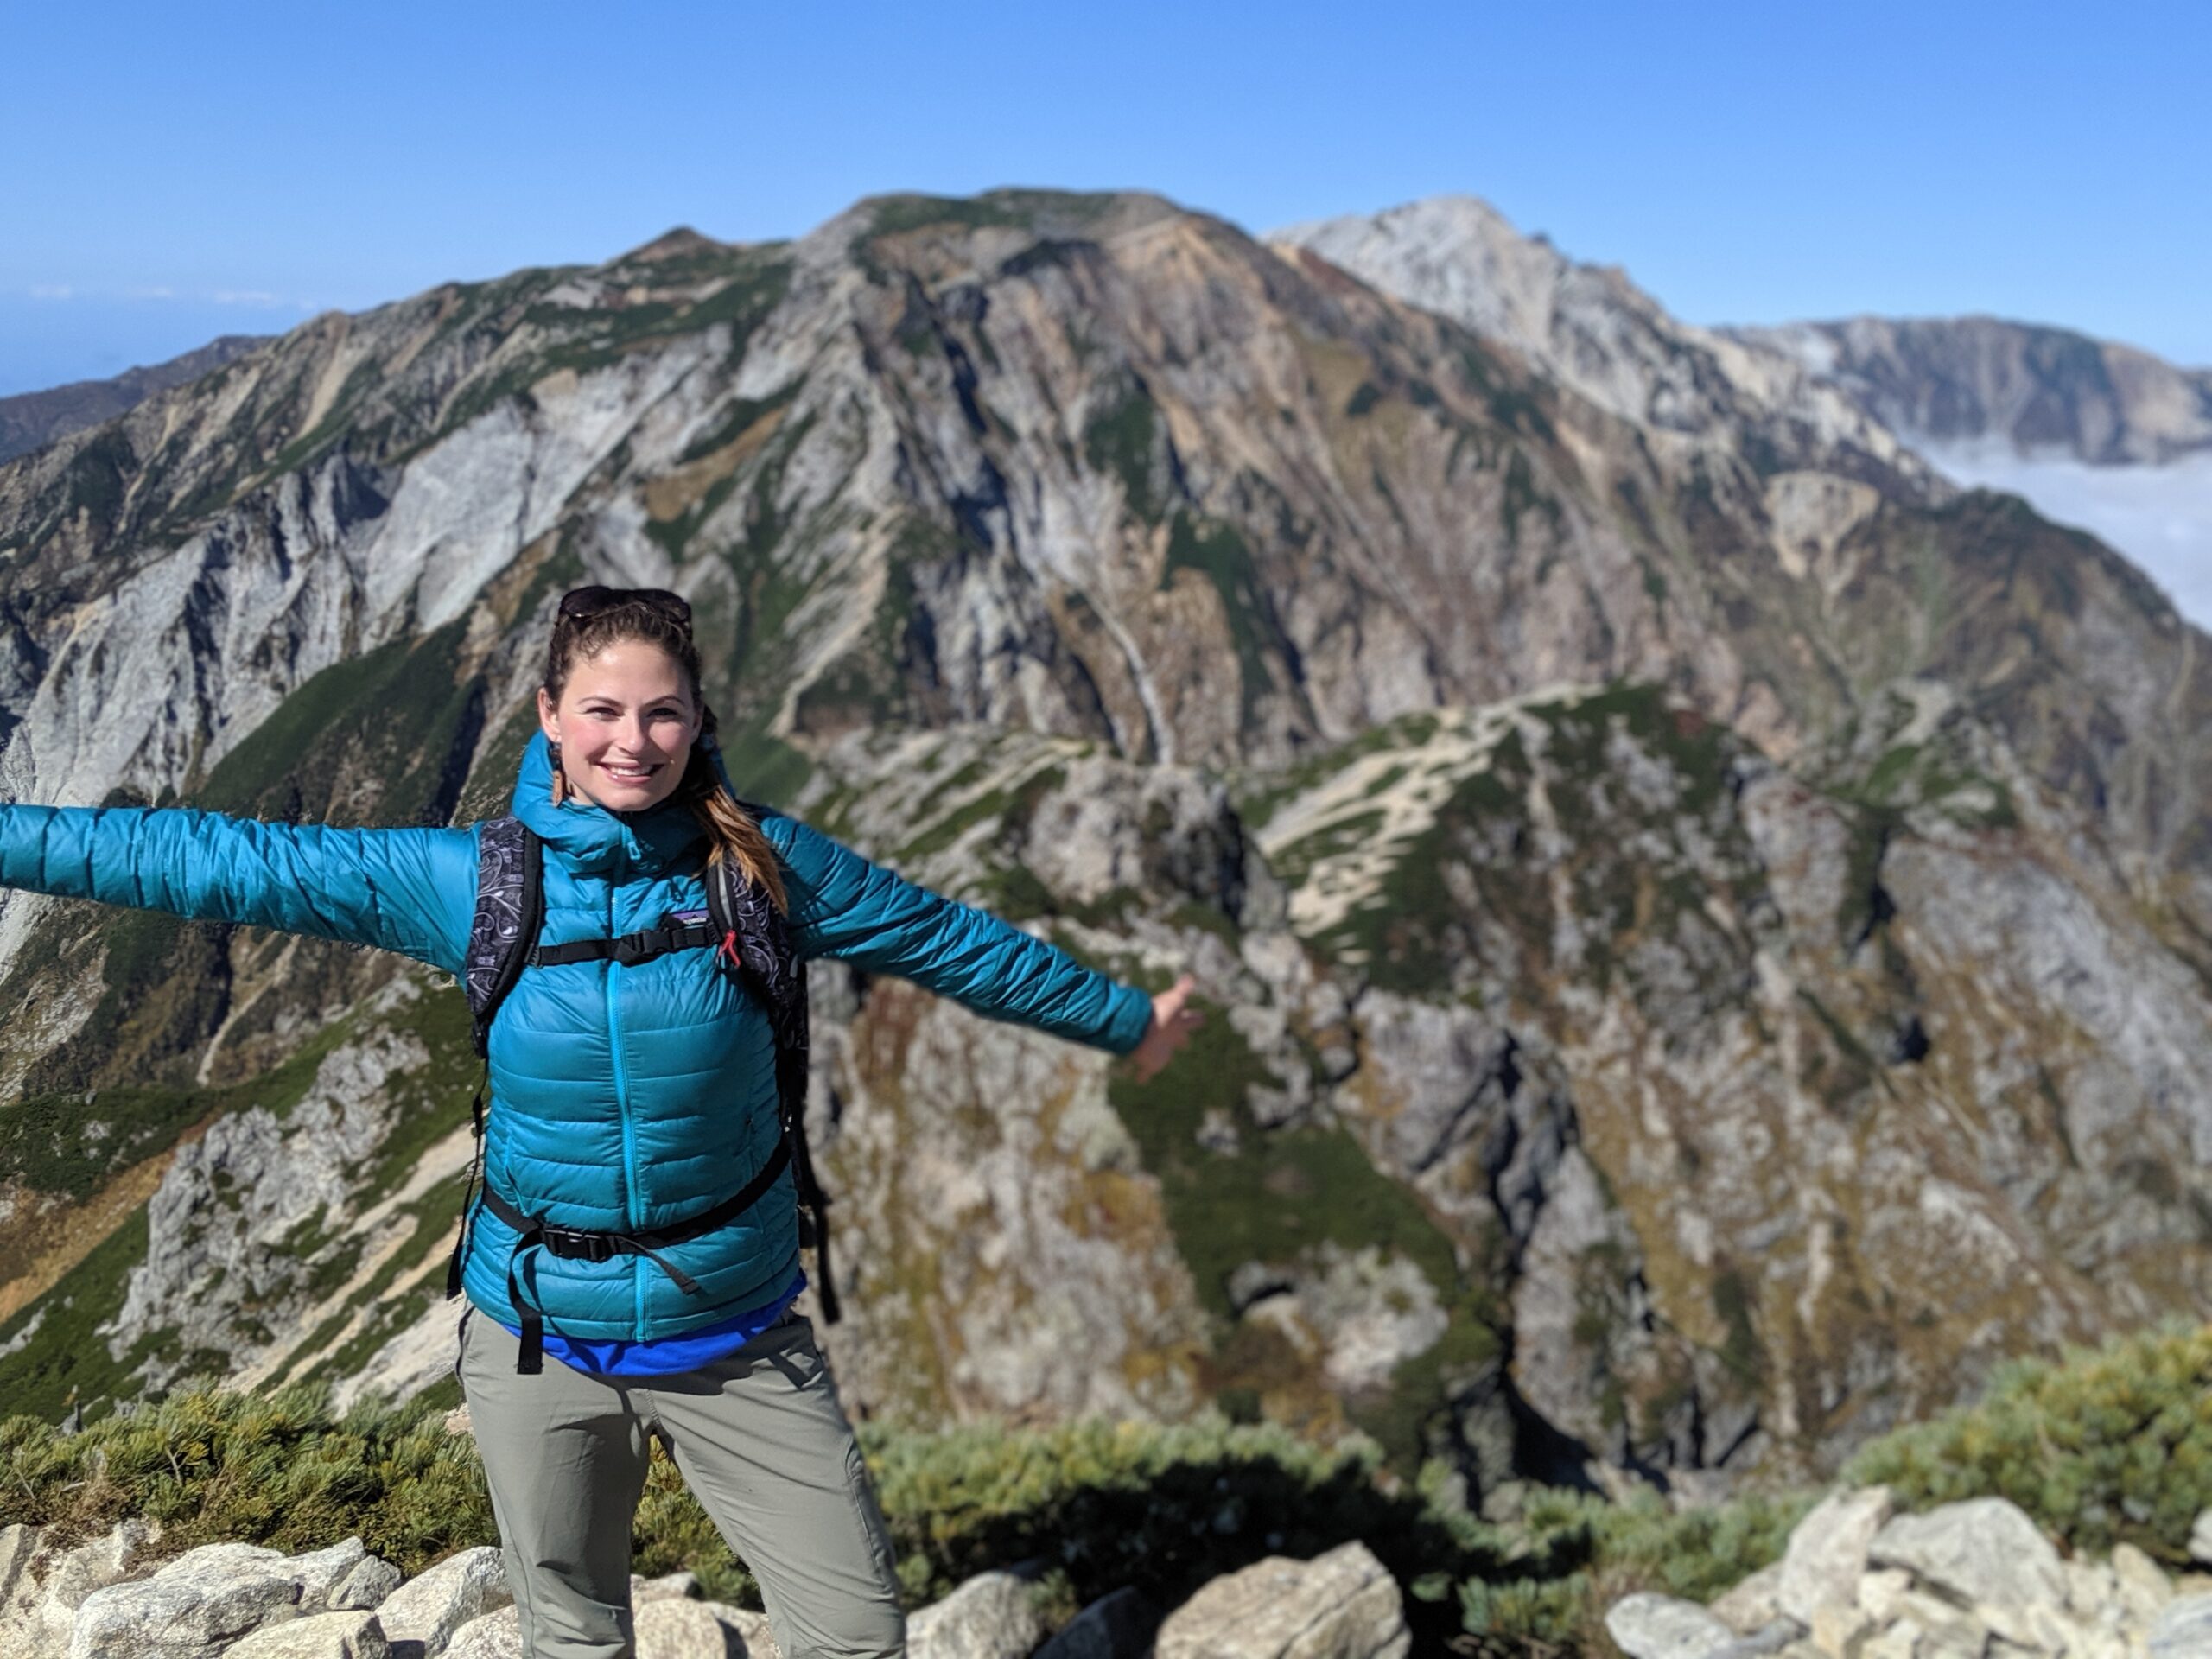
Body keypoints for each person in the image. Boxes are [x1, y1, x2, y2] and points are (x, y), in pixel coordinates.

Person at [0, 585, 1203, 1659]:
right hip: (537, 1340)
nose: (635, 742)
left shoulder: (765, 870)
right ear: (549, 715)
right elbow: (210, 859)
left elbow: (952, 943)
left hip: (733, 1332)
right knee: (573, 1634)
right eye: (604, 712)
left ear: (699, 721)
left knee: (855, 1633)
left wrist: (1123, 1021)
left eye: (664, 714)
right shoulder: (475, 882)